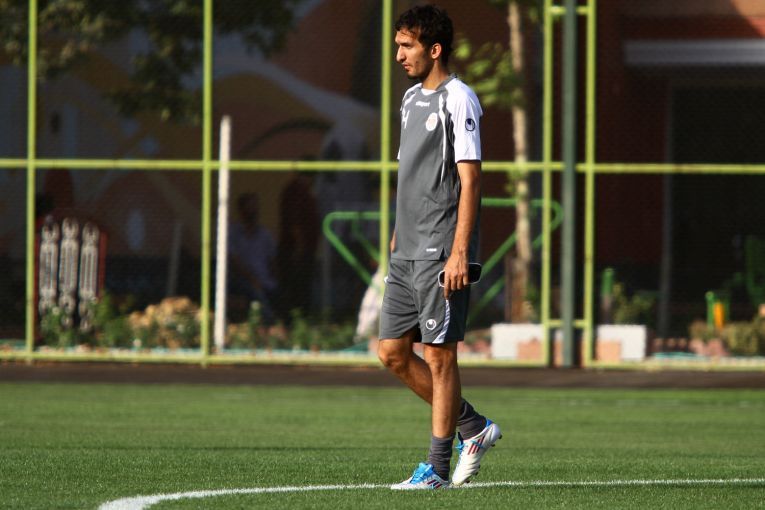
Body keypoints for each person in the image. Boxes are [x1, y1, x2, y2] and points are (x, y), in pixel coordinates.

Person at [378, 5, 501, 490]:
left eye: (406, 46)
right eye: (397, 45)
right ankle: (473, 426)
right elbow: (410, 172)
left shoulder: (460, 98)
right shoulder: (410, 100)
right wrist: (397, 230)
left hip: (440, 251)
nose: (399, 55)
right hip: (405, 249)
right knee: (391, 351)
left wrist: (459, 251)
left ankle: (436, 469)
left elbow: (471, 181)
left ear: (434, 49)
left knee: (439, 357)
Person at [229, 192, 277, 324]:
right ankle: (270, 321)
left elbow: (272, 261)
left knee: (276, 291)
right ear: (241, 210)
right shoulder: (234, 233)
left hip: (264, 280)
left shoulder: (265, 235)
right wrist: (252, 279)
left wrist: (275, 278)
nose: (253, 211)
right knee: (255, 290)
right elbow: (234, 261)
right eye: (249, 207)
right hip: (241, 280)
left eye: (255, 207)